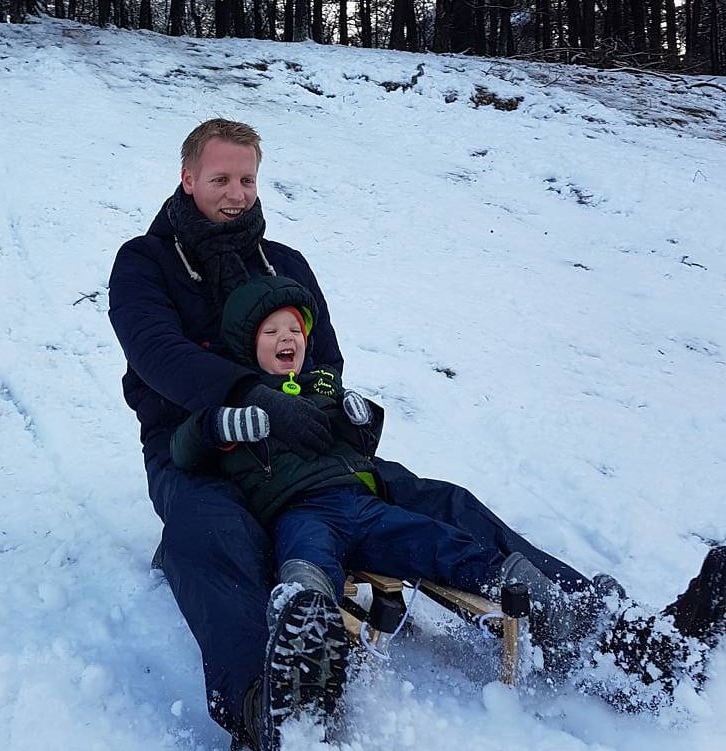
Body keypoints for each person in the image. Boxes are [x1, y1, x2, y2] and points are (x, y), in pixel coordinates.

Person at [107, 119, 724, 750]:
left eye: (246, 179)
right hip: (194, 446)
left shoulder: (284, 263)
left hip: (305, 443)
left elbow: (326, 357)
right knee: (211, 532)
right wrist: (247, 396)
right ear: (188, 178)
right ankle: (267, 704)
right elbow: (159, 355)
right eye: (220, 179)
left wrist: (332, 409)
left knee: (441, 502)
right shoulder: (145, 263)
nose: (236, 193)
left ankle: (616, 640)